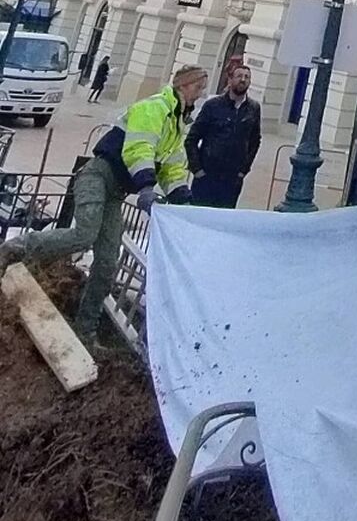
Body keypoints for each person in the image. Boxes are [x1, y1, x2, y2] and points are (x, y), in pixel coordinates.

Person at [0, 64, 207, 343]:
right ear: (183, 85)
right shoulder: (155, 108)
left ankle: (85, 330)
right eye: (198, 86)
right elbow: (138, 149)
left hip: (115, 193)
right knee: (85, 233)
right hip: (97, 176)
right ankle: (17, 247)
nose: (201, 93)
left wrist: (184, 201)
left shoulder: (177, 124)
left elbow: (173, 169)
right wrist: (146, 186)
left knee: (108, 262)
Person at [186, 56, 261, 209]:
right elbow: (192, 139)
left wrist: (243, 170)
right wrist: (197, 169)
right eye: (239, 76)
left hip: (232, 179)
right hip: (207, 175)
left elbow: (255, 141)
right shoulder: (213, 106)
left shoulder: (253, 108)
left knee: (223, 216)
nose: (243, 80)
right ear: (230, 79)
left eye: (247, 77)